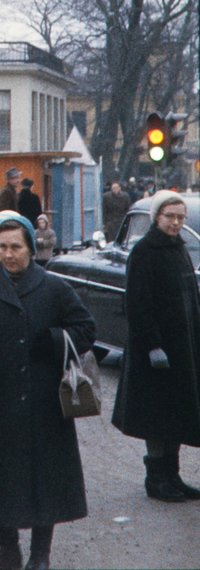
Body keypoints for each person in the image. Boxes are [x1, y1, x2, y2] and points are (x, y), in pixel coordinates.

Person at [0, 214, 96, 570]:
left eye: (16, 247)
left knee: (43, 479)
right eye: (2, 247)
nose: (8, 254)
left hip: (45, 402)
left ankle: (40, 554)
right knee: (2, 478)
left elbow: (85, 328)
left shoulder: (54, 287)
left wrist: (52, 342)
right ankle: (8, 550)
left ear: (31, 249)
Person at [111, 191, 200, 502]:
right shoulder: (144, 251)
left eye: (180, 218)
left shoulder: (179, 248)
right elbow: (137, 304)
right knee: (157, 416)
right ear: (157, 218)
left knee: (176, 412)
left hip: (181, 349)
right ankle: (156, 478)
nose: (175, 223)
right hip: (156, 352)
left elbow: (191, 298)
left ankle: (173, 475)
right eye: (169, 217)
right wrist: (152, 346)